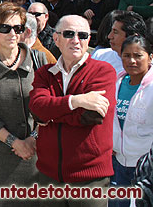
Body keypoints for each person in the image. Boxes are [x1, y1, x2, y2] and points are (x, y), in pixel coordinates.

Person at [29, 15, 116, 207]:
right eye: (69, 34)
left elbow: (91, 116)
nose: (76, 40)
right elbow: (37, 108)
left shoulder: (103, 71)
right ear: (57, 39)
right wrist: (76, 101)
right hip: (48, 175)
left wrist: (51, 114)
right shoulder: (44, 73)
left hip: (89, 178)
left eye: (83, 35)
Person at [0, 3, 47, 205]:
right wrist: (15, 143)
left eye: (18, 28)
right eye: (5, 28)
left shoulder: (39, 60)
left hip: (35, 155)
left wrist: (32, 139)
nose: (12, 33)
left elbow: (49, 104)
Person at [110, 35, 153, 207]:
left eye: (138, 55)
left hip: (146, 168)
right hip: (119, 163)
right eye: (126, 55)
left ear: (150, 57)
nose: (132, 60)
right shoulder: (117, 82)